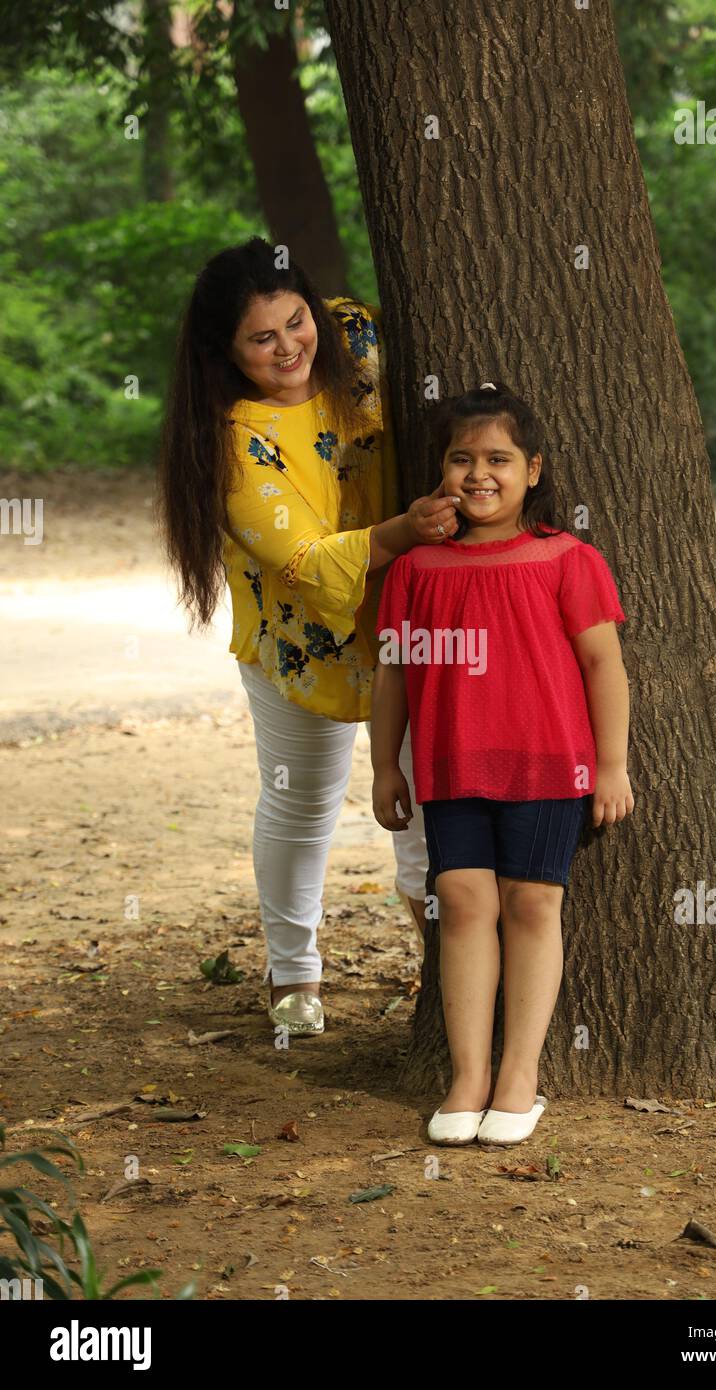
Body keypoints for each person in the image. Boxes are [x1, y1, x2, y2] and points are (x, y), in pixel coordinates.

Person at [157, 236, 461, 1035]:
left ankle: (446, 973)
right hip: (300, 642)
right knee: (303, 805)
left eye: (295, 322)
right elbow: (301, 559)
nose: (290, 346)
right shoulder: (233, 439)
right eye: (262, 338)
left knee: (426, 796)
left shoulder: (356, 335)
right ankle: (294, 977)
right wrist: (402, 529)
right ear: (226, 352)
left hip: (405, 622)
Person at [371, 382, 634, 1146]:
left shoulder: (567, 559)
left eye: (498, 458)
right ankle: (468, 1075)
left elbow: (603, 667)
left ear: (533, 468)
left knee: (531, 906)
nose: (478, 473)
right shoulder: (416, 568)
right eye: (461, 459)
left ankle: (520, 1074)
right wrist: (389, 767)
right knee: (459, 902)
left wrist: (611, 765)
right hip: (452, 767)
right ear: (440, 471)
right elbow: (393, 673)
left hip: (550, 764)